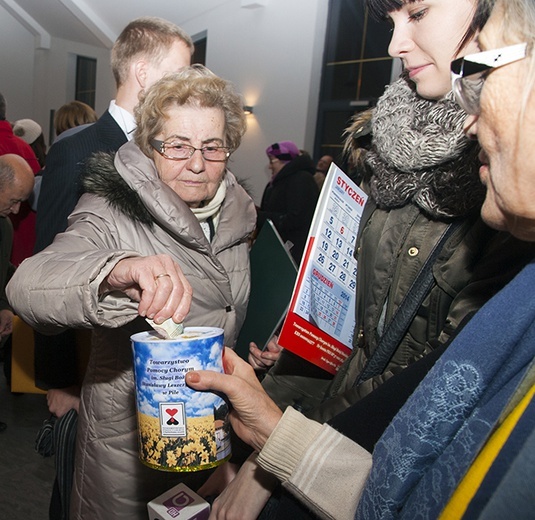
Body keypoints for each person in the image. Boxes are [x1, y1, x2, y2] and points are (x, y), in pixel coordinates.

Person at [188, 3, 535, 515]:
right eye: (390, 22)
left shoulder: (504, 201)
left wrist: (279, 452)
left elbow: (432, 383)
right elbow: (357, 317)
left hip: (367, 444)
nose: (394, 45)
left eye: (417, 13)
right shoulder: (383, 152)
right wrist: (291, 357)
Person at [7, 65, 256, 520]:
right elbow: (28, 284)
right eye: (178, 145)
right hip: (125, 451)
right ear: (149, 145)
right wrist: (116, 269)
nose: (197, 163)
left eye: (212, 147)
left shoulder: (238, 213)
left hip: (207, 438)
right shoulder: (111, 207)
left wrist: (254, 357)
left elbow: (223, 310)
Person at [257, 141, 319, 264]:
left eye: (271, 161)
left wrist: (258, 216)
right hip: (278, 250)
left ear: (284, 160)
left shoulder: (302, 180)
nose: (269, 166)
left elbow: (296, 219)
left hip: (292, 254)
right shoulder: (276, 183)